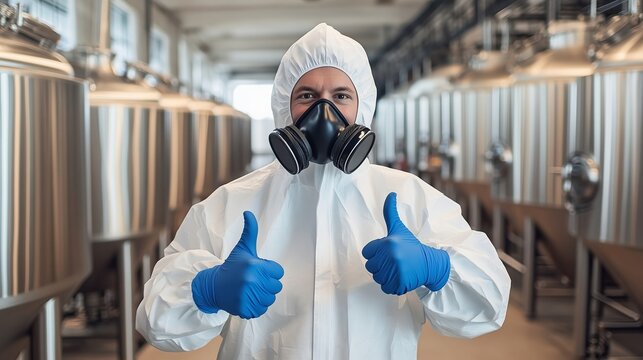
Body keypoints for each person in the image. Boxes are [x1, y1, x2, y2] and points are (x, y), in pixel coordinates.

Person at [136, 23, 510, 359]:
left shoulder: (410, 198)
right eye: (307, 96)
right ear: (285, 107)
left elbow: (490, 304)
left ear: (363, 108)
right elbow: (155, 321)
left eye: (342, 96)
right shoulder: (231, 203)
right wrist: (206, 290)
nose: (324, 112)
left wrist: (438, 268)